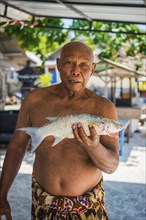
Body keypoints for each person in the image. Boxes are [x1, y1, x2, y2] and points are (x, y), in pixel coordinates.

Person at [0, 41, 120, 220]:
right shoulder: (34, 100)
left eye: (84, 65)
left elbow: (111, 166)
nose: (76, 71)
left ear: (93, 68)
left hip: (87, 207)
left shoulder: (103, 108)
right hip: (42, 204)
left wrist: (93, 146)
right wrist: (1, 195)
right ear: (58, 64)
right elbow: (17, 148)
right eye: (69, 62)